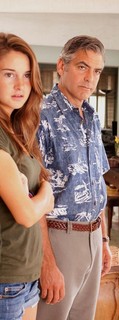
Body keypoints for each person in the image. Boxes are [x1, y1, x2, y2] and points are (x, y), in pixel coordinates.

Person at [36, 35, 112, 320]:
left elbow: (97, 184)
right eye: (82, 67)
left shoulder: (92, 117)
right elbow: (31, 196)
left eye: (97, 71)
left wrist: (103, 241)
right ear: (61, 66)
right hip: (58, 237)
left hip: (92, 236)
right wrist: (47, 263)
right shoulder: (40, 116)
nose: (90, 78)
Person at [0, 33, 54, 320]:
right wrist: (45, 197)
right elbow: (24, 214)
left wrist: (36, 198)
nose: (21, 85)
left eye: (27, 75)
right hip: (6, 278)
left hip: (26, 272)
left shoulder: (17, 127)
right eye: (9, 74)